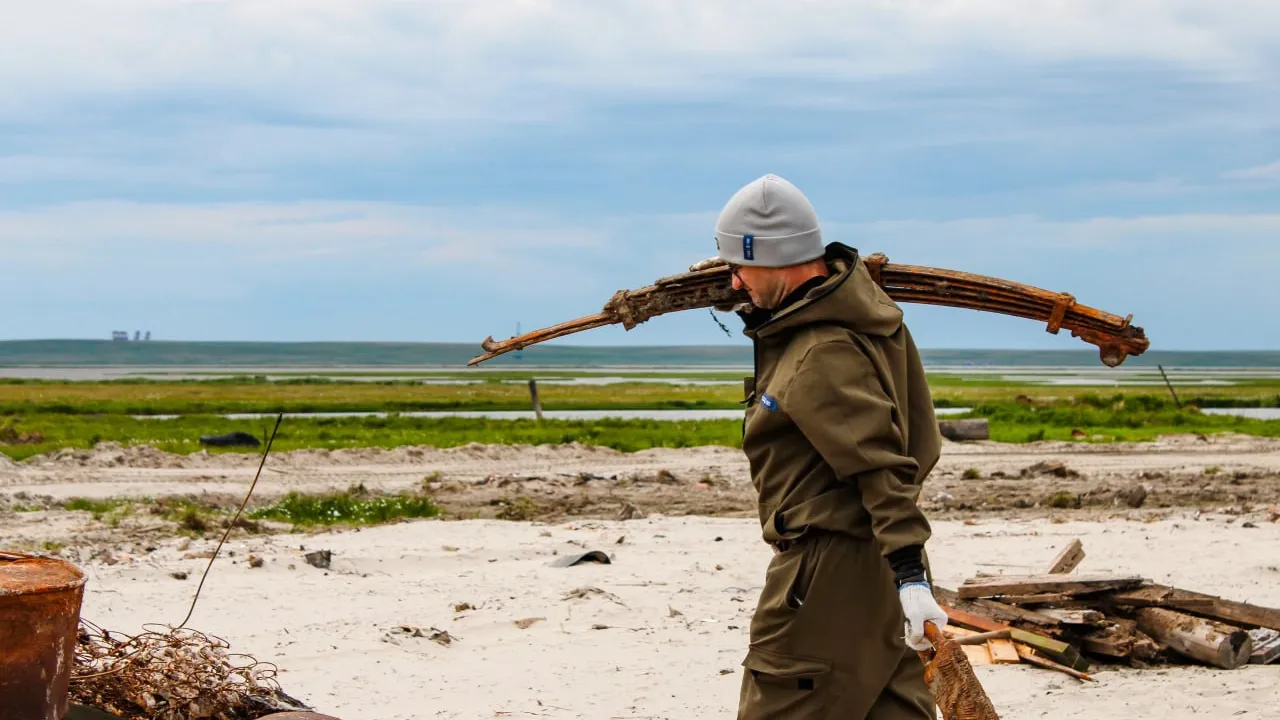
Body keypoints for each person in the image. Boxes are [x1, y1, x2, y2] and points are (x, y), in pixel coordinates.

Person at [714, 174, 949, 719]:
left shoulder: (820, 348)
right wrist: (905, 575)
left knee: (781, 698)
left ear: (774, 258)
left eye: (739, 268)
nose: (733, 284)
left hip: (827, 570)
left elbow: (881, 468)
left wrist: (911, 574)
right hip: (878, 564)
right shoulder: (865, 317)